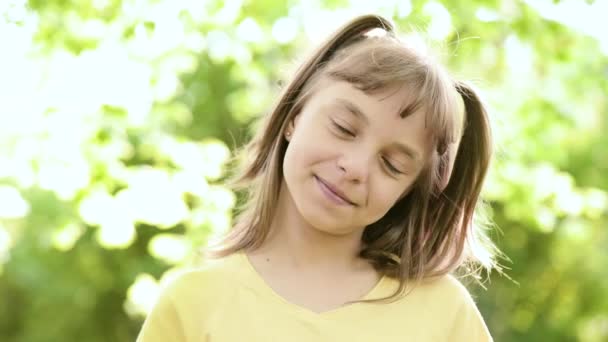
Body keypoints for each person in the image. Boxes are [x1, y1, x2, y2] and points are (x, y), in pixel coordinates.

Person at [136, 14, 501, 342]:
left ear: (408, 191)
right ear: (295, 114)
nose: (356, 168)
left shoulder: (444, 314)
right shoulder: (192, 303)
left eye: (391, 165)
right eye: (343, 128)